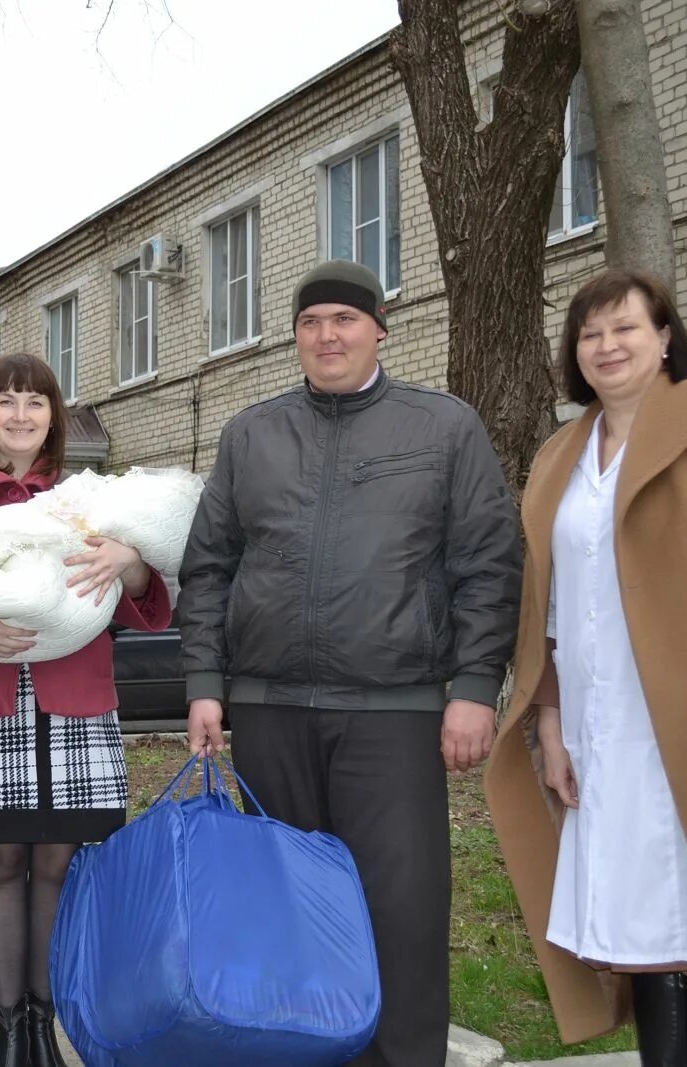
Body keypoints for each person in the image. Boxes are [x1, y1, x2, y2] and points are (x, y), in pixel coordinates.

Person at [177, 260, 522, 1066]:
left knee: (400, 912)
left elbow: (487, 563)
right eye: (310, 322)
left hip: (393, 714)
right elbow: (209, 568)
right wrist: (204, 685)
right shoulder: (252, 434)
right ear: (295, 336)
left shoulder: (442, 427)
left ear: (379, 329)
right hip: (268, 712)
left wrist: (473, 687)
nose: (326, 335)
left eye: (344, 319)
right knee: (288, 914)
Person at [485, 270, 687, 1066]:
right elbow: (551, 608)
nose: (607, 346)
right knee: (642, 930)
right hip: (610, 719)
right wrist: (551, 722)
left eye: (625, 328)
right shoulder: (560, 454)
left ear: (665, 337)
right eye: (590, 335)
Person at [0, 352, 171, 1066]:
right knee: (3, 858)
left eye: (35, 402)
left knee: (57, 860)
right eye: (6, 401)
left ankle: (43, 1023)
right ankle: (7, 1028)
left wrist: (128, 561)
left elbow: (145, 594)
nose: (20, 415)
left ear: (54, 417)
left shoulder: (86, 497)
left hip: (74, 701)